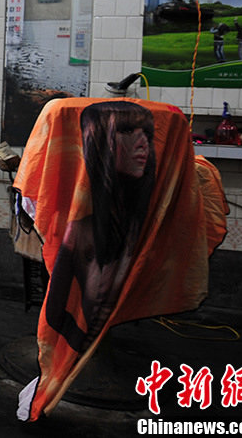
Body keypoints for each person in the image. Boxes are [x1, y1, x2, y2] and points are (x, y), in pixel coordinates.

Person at [43, 101, 156, 352]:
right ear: (99, 140)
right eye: (127, 131)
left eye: (146, 133)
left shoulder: (146, 223)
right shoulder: (81, 230)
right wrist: (75, 353)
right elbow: (55, 309)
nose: (142, 142)